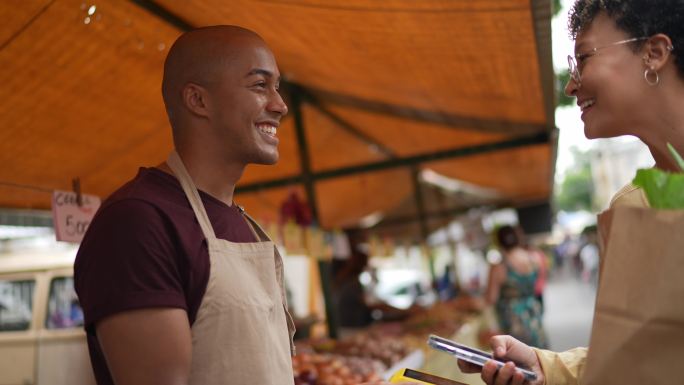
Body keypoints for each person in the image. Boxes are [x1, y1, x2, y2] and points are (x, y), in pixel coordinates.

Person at [458, 0, 684, 383]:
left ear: (655, 53)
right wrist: (543, 368)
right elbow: (641, 359)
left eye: (584, 58)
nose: (570, 83)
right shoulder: (632, 207)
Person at [74, 26, 296, 385]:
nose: (280, 104)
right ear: (198, 101)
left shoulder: (244, 224)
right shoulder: (137, 223)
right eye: (259, 85)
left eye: (277, 87)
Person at [485, 226, 547, 349]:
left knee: (519, 356)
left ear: (499, 242)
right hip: (533, 311)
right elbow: (539, 283)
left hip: (512, 319)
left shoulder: (499, 267)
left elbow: (491, 298)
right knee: (539, 354)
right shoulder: (534, 259)